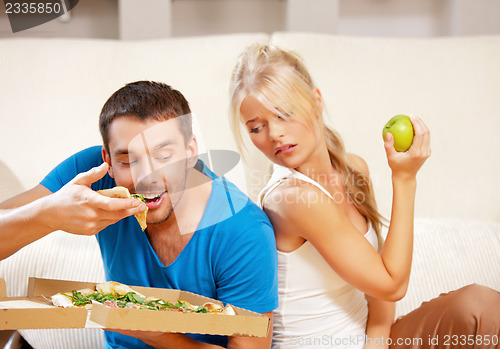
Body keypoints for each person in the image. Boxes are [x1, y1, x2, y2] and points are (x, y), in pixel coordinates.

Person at [228, 44, 500, 349]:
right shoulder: (293, 199)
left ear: (316, 101)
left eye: (284, 113)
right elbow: (392, 284)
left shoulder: (353, 169)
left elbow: (379, 297)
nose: (274, 133)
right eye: (256, 128)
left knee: (478, 308)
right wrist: (405, 178)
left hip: (370, 343)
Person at [0, 81, 278, 349]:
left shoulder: (244, 231)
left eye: (164, 155)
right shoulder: (91, 176)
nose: (147, 177)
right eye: (128, 160)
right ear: (107, 161)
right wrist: (48, 214)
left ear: (191, 151)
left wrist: (151, 332)